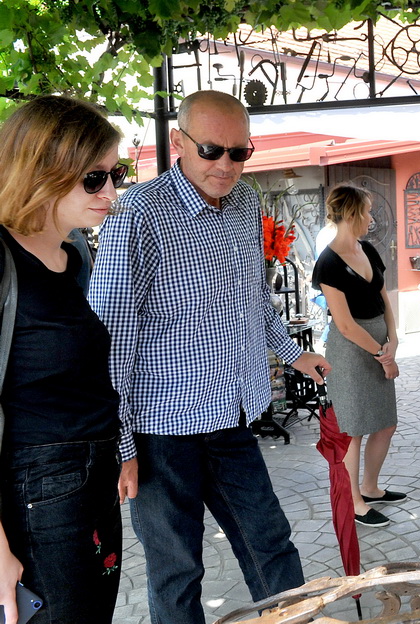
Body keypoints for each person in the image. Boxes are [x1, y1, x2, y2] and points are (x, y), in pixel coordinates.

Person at [89, 90, 330, 624]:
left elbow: (253, 298)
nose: (226, 164)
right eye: (211, 150)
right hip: (160, 432)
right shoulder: (139, 211)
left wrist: (292, 354)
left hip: (231, 418)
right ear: (179, 143)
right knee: (177, 571)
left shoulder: (247, 203)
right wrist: (121, 444)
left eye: (239, 152)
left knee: (272, 544)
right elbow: (111, 337)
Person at [0, 95, 126, 624]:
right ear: (43, 172)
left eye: (113, 173)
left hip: (94, 478)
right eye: (93, 178)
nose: (111, 191)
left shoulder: (75, 255)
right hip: (42, 485)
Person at [312, 184, 404, 528]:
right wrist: (384, 353)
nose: (371, 217)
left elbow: (383, 300)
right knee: (353, 429)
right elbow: (346, 326)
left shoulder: (368, 249)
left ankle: (371, 487)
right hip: (351, 353)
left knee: (385, 422)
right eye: (367, 211)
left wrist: (394, 339)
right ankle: (353, 502)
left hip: (380, 344)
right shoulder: (328, 263)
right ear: (351, 213)